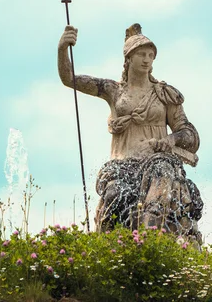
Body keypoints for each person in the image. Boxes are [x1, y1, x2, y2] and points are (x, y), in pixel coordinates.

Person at [58, 23, 203, 241]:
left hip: (157, 160)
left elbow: (190, 134)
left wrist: (170, 139)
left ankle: (149, 241)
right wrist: (63, 49)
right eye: (141, 54)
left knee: (161, 179)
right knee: (114, 196)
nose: (147, 59)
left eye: (151, 55)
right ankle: (107, 249)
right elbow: (69, 79)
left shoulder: (165, 94)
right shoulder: (113, 90)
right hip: (123, 163)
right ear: (129, 58)